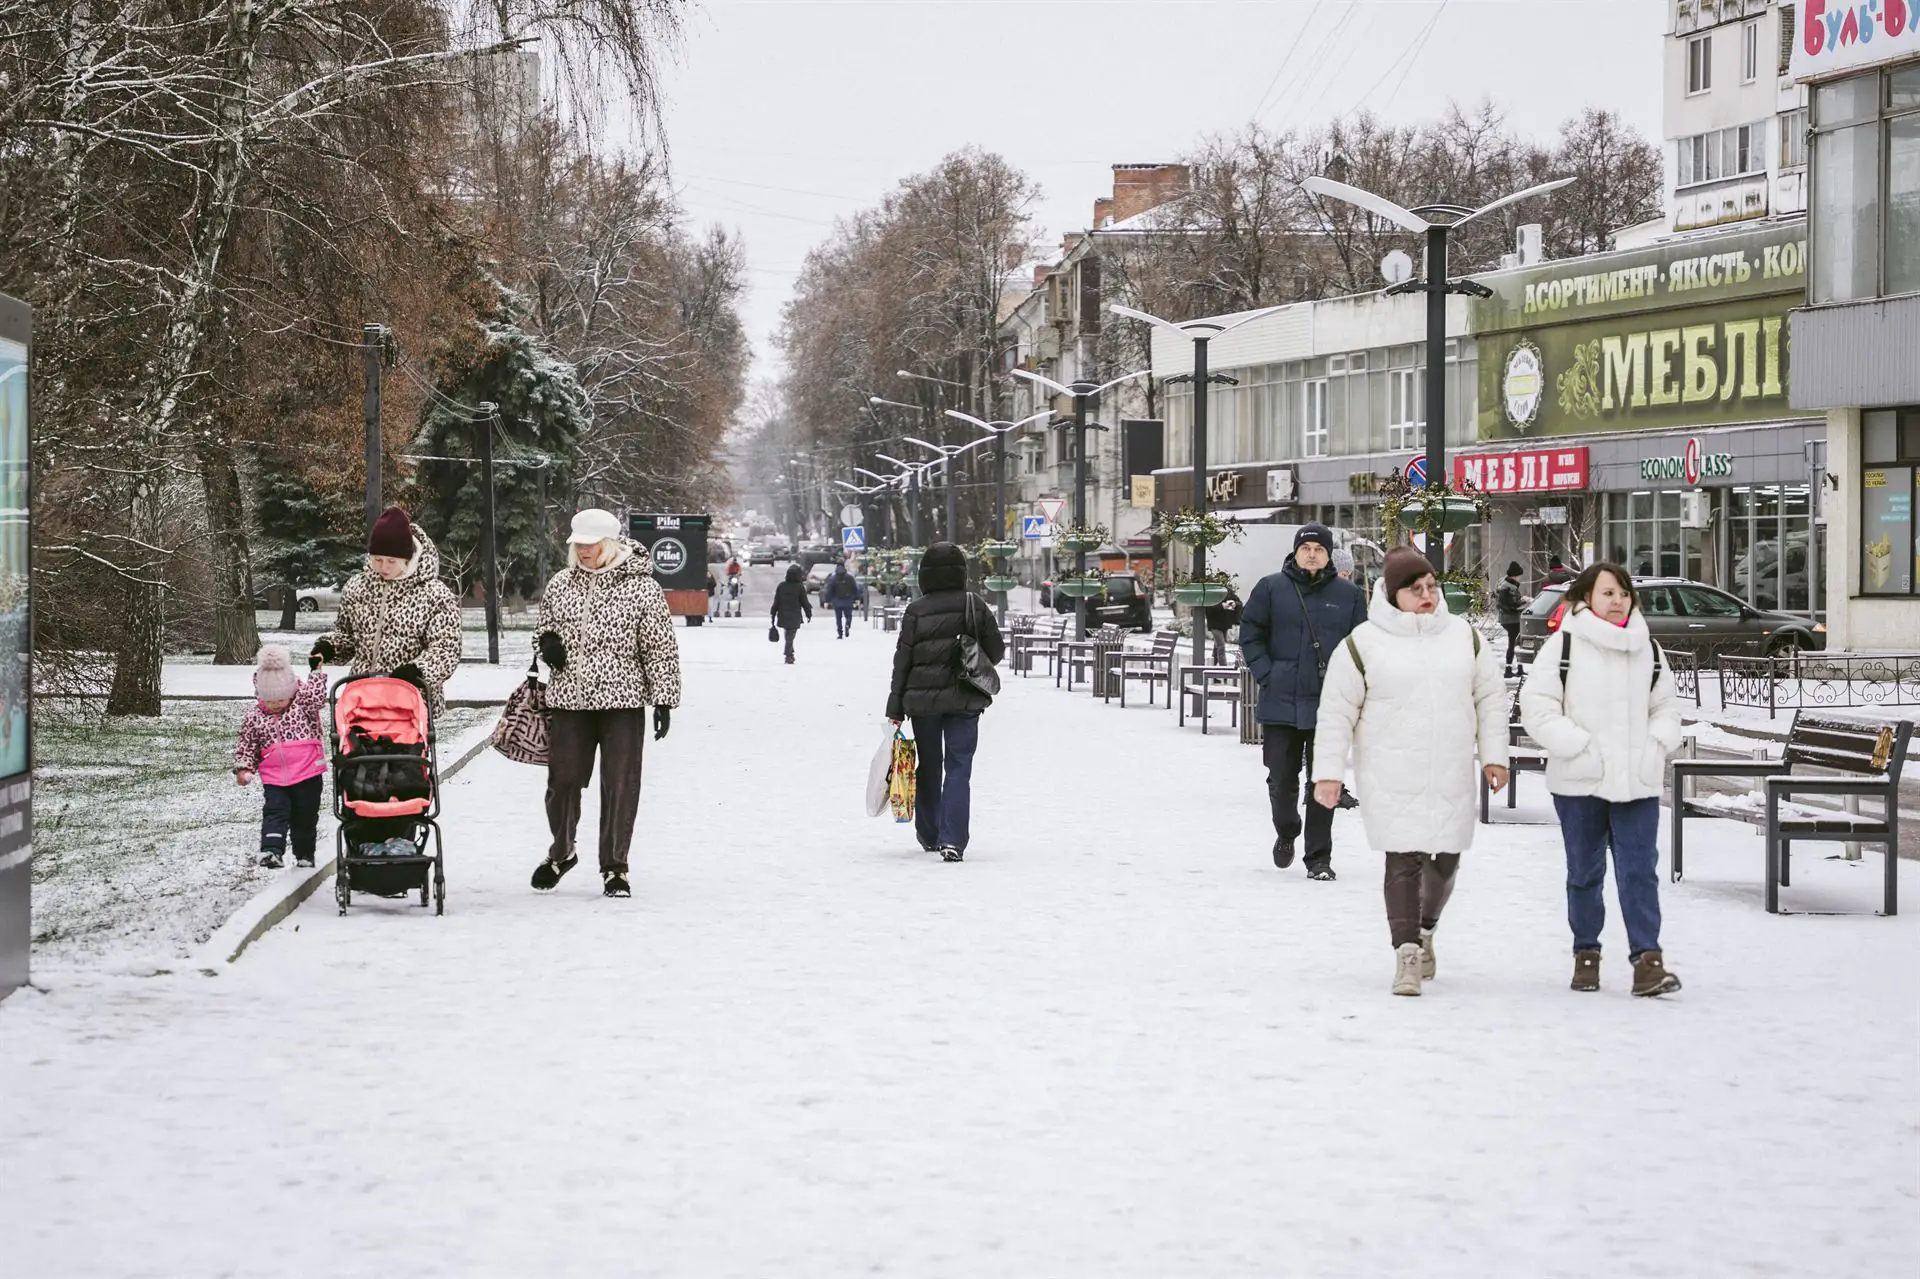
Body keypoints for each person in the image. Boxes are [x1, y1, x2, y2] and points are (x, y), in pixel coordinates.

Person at [1313, 547, 1510, 996]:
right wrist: (1328, 773)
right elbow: (1336, 712)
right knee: (1402, 859)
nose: (1427, 595)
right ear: (1393, 593)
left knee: (1445, 860)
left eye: (1431, 587)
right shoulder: (1362, 643)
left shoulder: (1464, 637)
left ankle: (1425, 930)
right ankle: (1405, 952)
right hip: (1391, 770)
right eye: (1415, 589)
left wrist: (1495, 756)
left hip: (1450, 769)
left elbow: (1490, 699)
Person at [1519, 562, 1684, 997]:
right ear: (1587, 597)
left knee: (1638, 872)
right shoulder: (1564, 645)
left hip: (1637, 780)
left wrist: (1657, 743)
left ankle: (1648, 961)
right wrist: (1576, 745)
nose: (1617, 601)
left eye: (1624, 593)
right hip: (1580, 781)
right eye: (1608, 593)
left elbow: (1666, 706)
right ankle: (1586, 953)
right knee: (1585, 873)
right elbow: (1537, 707)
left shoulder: (1648, 648)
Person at [530, 510, 680, 898]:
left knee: (619, 785)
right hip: (569, 699)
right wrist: (547, 645)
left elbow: (660, 647)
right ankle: (562, 852)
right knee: (562, 782)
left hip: (623, 701)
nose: (583, 550)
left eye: (590, 544)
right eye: (577, 544)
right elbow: (542, 628)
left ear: (610, 545)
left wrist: (662, 699)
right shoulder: (561, 584)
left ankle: (615, 867)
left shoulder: (642, 588)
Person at [1238, 523, 1368, 879]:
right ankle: (1287, 829)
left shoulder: (1350, 595)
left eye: (1319, 549)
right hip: (1281, 701)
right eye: (1305, 547)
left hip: (1329, 705)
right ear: (1296, 552)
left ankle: (1319, 858)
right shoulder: (1270, 588)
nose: (1312, 554)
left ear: (1328, 555)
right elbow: (1250, 634)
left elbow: (1361, 647)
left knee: (1324, 780)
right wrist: (1268, 674)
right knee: (1281, 777)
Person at [886, 542, 1005, 862]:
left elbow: (903, 662)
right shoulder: (974, 604)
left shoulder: (916, 610)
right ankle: (953, 839)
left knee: (929, 765)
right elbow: (996, 651)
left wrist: (894, 707)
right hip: (965, 699)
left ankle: (929, 832)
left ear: (924, 574)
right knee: (959, 767)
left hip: (922, 703)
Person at [311, 506, 462, 716]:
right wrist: (329, 647)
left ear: (407, 558)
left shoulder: (434, 594)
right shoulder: (357, 588)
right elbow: (347, 636)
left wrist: (418, 670)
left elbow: (446, 648)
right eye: (377, 559)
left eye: (392, 561)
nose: (384, 567)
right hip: (362, 697)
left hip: (410, 701)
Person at [234, 645, 329, 869]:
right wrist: (244, 768)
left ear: (291, 693)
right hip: (275, 777)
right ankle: (271, 851)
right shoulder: (254, 717)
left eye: (281, 700)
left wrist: (316, 672)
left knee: (304, 817)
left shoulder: (301, 706)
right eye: (270, 701)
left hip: (307, 773)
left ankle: (305, 854)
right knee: (275, 812)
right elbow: (247, 744)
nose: (276, 705)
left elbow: (316, 698)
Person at [771, 563, 812, 664]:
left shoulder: (781, 586)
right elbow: (804, 602)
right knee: (790, 635)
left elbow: (777, 601)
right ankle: (788, 654)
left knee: (788, 634)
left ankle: (790, 653)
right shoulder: (799, 587)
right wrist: (808, 613)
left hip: (783, 614)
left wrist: (773, 612)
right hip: (795, 614)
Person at [1495, 561, 1526, 677]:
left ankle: (1516, 668)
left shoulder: (1504, 585)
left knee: (1514, 643)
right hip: (1512, 619)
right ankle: (1512, 669)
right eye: (1519, 576)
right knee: (1514, 644)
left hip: (1507, 619)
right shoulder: (1509, 587)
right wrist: (1524, 601)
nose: (1520, 579)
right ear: (1515, 575)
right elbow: (1513, 605)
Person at [1204, 586, 1243, 666]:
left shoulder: (1228, 592)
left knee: (1217, 647)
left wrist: (1234, 604)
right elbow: (1208, 606)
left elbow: (1240, 603)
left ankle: (1212, 669)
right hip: (1214, 624)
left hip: (1225, 624)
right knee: (1221, 646)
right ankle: (1224, 669)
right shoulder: (1212, 592)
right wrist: (1222, 606)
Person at [826, 561, 860, 638]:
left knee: (838, 617)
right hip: (848, 600)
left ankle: (840, 633)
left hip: (837, 601)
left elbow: (829, 590)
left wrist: (827, 600)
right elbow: (855, 589)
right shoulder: (850, 578)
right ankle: (847, 625)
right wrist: (857, 598)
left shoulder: (833, 578)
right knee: (848, 616)